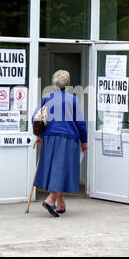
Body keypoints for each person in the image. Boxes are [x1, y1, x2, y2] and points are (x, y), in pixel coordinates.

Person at [32, 70, 88, 217]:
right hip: (67, 138)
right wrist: (85, 141)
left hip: (49, 138)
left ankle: (61, 204)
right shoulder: (73, 99)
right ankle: (50, 200)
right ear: (67, 83)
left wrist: (39, 134)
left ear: (54, 82)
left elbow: (35, 117)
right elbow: (80, 123)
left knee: (56, 169)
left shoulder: (46, 97)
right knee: (63, 170)